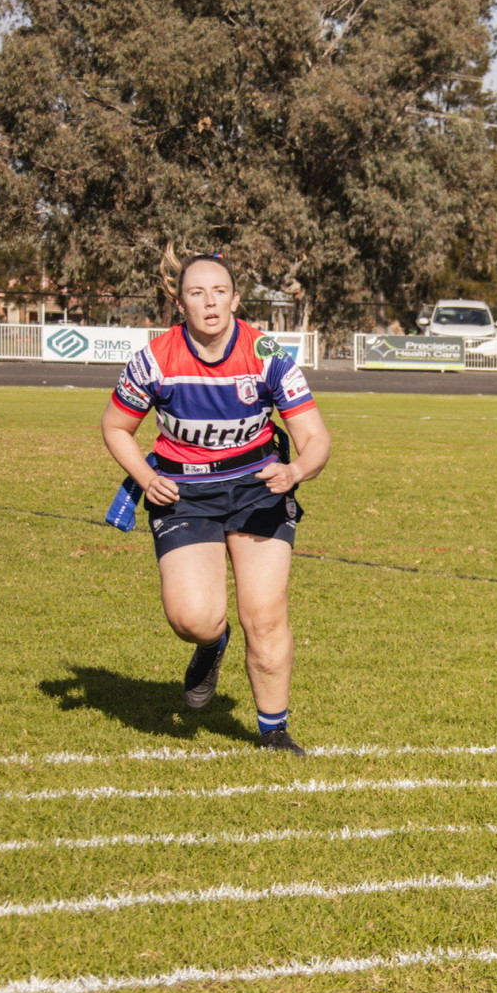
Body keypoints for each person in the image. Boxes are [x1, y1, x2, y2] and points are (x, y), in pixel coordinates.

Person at [100, 251, 330, 754]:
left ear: (235, 299)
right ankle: (211, 645)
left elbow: (316, 438)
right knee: (193, 618)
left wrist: (294, 471)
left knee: (264, 616)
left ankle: (274, 733)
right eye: (197, 293)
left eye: (219, 291)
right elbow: (115, 427)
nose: (210, 302)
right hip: (184, 494)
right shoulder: (156, 359)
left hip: (258, 490)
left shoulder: (267, 352)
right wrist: (143, 475)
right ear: (179, 303)